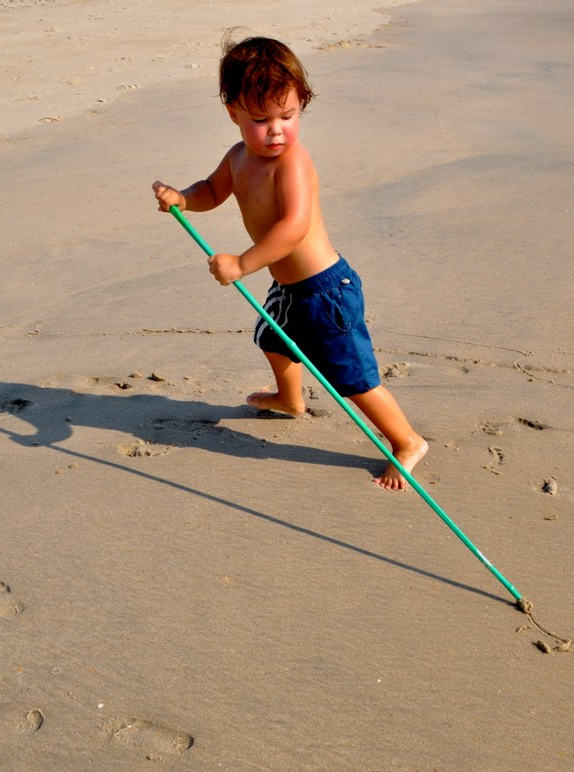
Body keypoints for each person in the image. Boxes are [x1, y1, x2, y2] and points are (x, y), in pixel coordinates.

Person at [153, 35, 427, 490]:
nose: (277, 130)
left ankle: (406, 440)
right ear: (233, 114)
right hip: (290, 288)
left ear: (302, 105)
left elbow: (293, 229)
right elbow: (212, 190)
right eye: (261, 119)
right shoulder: (239, 157)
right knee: (273, 338)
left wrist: (241, 264)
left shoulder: (293, 164)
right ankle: (289, 398)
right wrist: (183, 197)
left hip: (326, 291)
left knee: (352, 377)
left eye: (289, 116)